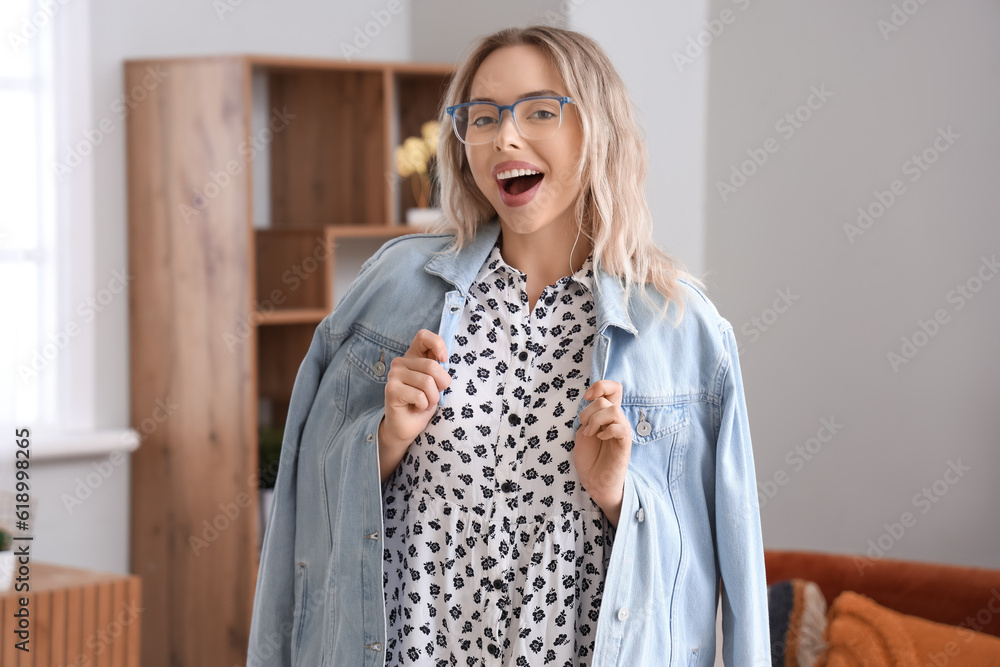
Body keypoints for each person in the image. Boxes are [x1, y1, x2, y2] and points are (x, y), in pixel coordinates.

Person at [247, 24, 771, 667]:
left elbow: (728, 573)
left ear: (598, 129)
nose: (506, 137)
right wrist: (380, 442)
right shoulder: (391, 289)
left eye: (540, 111)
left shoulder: (684, 332)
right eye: (483, 116)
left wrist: (618, 497)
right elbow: (303, 513)